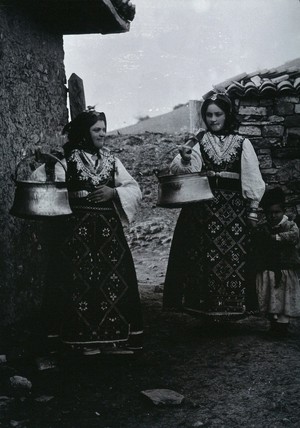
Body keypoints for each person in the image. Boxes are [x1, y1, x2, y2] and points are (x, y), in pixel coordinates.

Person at [32, 109, 143, 355]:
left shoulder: (111, 160)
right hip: (75, 233)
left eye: (104, 129)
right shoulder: (65, 159)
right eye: (96, 130)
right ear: (84, 132)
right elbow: (40, 181)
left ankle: (112, 339)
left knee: (113, 280)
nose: (102, 134)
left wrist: (113, 193)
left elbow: (133, 187)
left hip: (108, 233)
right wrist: (62, 185)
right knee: (76, 282)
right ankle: (78, 340)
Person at [163, 93, 265, 319]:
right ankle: (206, 311)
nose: (213, 119)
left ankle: (230, 310)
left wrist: (253, 208)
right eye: (208, 115)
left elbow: (252, 177)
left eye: (218, 114)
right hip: (202, 210)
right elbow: (180, 171)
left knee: (232, 259)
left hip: (233, 211)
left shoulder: (242, 143)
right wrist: (186, 158)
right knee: (203, 260)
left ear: (227, 114)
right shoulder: (198, 141)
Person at [252, 187, 300, 335]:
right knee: (272, 295)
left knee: (284, 296)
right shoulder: (264, 227)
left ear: (283, 212)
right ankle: (273, 322)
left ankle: (283, 324)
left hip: (285, 268)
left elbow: (294, 236)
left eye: (277, 212)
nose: (273, 216)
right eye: (270, 213)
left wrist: (275, 238)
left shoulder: (290, 225)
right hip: (270, 268)